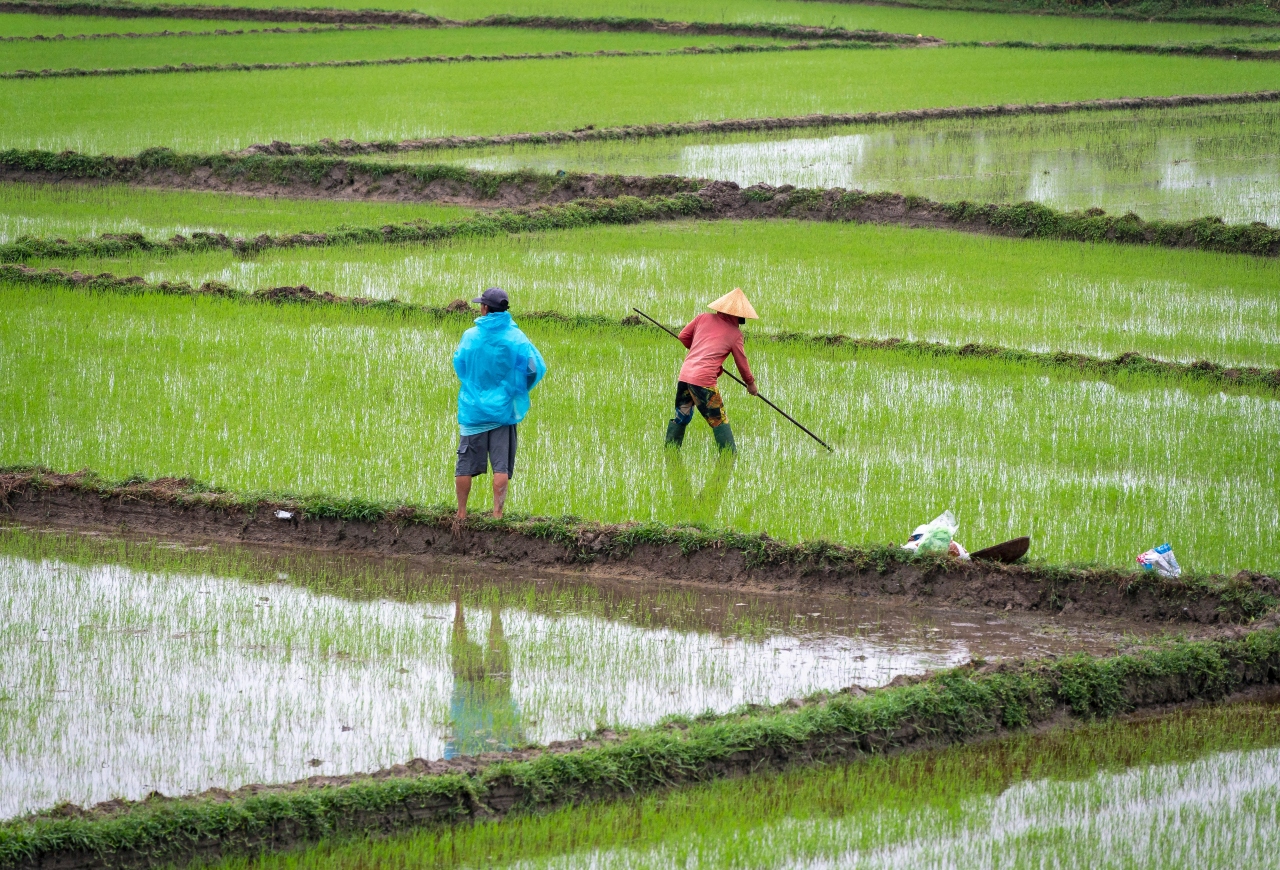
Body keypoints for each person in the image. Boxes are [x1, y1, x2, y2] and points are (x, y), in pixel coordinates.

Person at [452, 287, 546, 535]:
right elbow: (534, 369)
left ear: (485, 309)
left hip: (473, 411)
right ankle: (497, 514)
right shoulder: (516, 339)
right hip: (503, 411)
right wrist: (514, 390)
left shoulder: (471, 336)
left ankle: (461, 513)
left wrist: (476, 386)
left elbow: (459, 365)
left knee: (464, 464)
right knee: (501, 465)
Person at [664, 288, 759, 454]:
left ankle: (670, 452)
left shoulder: (703, 318)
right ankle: (729, 457)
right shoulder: (735, 334)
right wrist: (751, 384)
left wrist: (700, 351)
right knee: (719, 420)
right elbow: (742, 362)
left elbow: (683, 336)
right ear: (740, 316)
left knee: (682, 416)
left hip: (685, 377)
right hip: (703, 382)